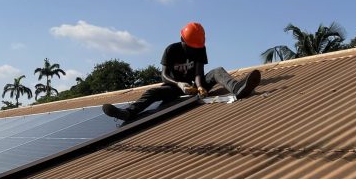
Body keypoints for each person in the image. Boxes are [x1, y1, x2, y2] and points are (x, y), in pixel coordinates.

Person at [102, 22, 262, 120]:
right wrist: (179, 84)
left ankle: (238, 89)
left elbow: (199, 72)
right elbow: (164, 75)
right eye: (191, 47)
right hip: (174, 88)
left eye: (197, 48)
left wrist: (199, 86)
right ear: (182, 40)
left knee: (217, 71)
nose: (194, 50)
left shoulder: (200, 49)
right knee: (152, 93)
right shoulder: (171, 50)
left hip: (195, 87)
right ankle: (128, 113)